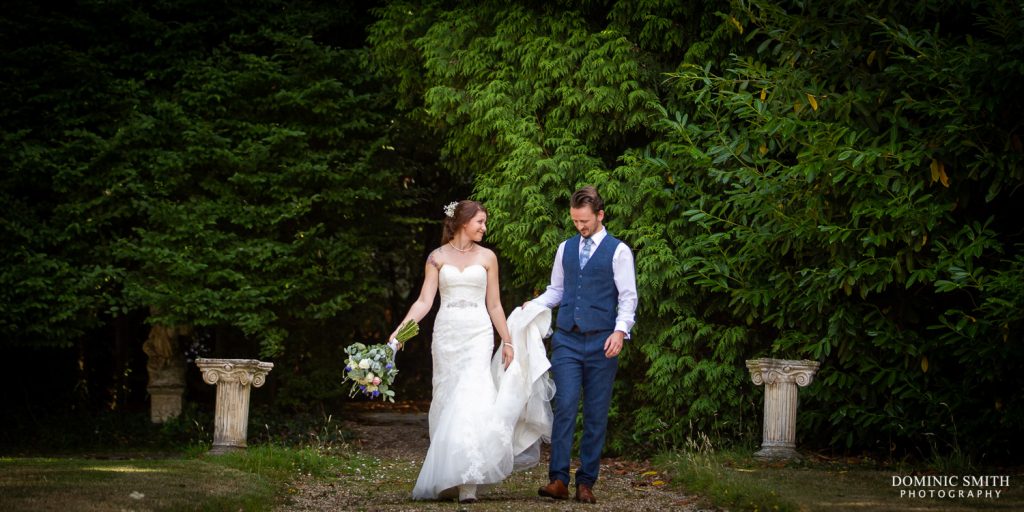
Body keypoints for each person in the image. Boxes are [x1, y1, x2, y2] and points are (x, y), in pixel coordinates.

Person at [390, 200, 554, 504]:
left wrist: (507, 340)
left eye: (484, 222)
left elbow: (494, 304)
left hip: (478, 334)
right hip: (447, 334)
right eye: (480, 221)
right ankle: (447, 475)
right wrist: (401, 331)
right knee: (446, 397)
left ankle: (468, 482)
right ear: (464, 221)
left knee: (472, 397)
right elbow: (425, 301)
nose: (484, 227)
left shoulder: (488, 257)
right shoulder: (436, 258)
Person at [530, 186, 638, 504]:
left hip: (603, 342)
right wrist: (532, 307)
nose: (580, 227)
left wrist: (620, 332)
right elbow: (556, 291)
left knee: (595, 414)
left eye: (585, 221)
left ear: (600, 215)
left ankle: (586, 482)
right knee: (564, 406)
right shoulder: (565, 248)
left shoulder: (618, 251)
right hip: (567, 339)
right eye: (575, 221)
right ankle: (558, 480)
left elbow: (628, 298)